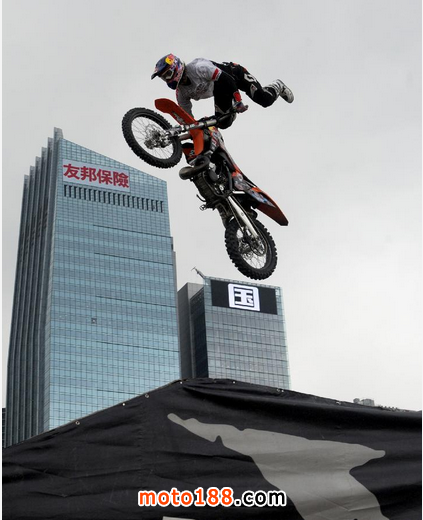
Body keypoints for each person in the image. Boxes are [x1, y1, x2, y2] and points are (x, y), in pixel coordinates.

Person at [151, 54, 294, 129]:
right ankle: (229, 111)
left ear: (176, 67)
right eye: (164, 78)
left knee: (264, 99)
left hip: (234, 75)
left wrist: (238, 101)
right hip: (221, 90)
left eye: (167, 74)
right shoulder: (181, 93)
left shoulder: (199, 68)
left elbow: (227, 80)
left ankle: (278, 85)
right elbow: (188, 119)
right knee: (223, 123)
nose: (167, 79)